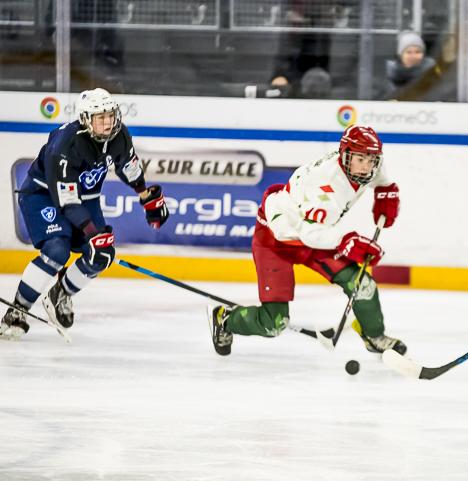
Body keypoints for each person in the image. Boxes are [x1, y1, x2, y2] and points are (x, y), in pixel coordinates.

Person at [207, 125, 405, 357]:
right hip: (277, 240)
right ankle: (226, 319)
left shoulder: (359, 163)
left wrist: (386, 189)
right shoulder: (326, 188)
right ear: (345, 155)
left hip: (315, 232)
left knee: (362, 285)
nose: (367, 166)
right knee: (274, 323)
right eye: (361, 159)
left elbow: (378, 173)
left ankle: (374, 336)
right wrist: (349, 241)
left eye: (371, 160)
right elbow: (310, 234)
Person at [0, 88, 169, 340]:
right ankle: (17, 310)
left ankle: (61, 293)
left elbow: (128, 166)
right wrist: (91, 233)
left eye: (110, 115)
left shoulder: (119, 135)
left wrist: (145, 196)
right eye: (100, 117)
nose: (108, 122)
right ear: (85, 119)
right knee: (58, 249)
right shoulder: (65, 145)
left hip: (84, 198)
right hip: (43, 195)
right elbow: (66, 201)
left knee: (102, 254)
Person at [380, 31, 441, 101]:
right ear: (400, 55)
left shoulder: (433, 75)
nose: (413, 56)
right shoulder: (389, 75)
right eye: (408, 52)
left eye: (418, 52)